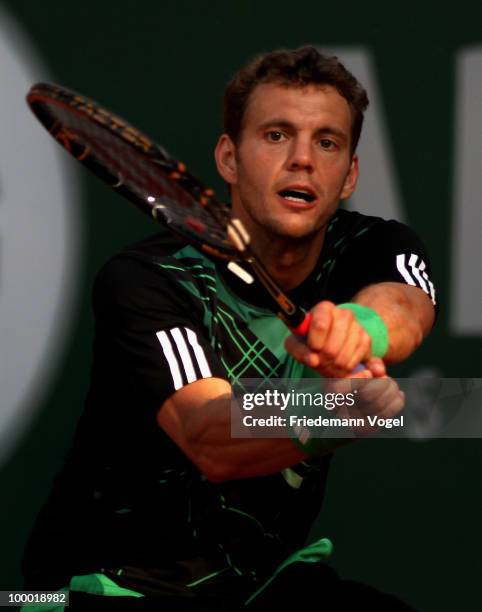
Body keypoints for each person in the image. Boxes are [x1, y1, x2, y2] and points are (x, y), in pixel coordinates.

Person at [22, 46, 437, 611]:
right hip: (114, 584)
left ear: (349, 175)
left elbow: (406, 306)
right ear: (228, 158)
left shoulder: (372, 246)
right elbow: (209, 436)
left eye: (327, 142)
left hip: (262, 583)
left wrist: (359, 329)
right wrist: (321, 415)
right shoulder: (151, 278)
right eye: (275, 135)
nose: (302, 160)